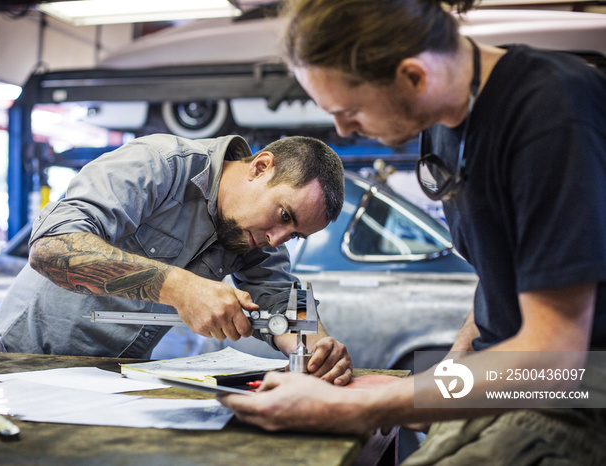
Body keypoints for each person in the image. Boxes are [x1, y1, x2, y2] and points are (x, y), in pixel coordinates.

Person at [219, 0, 606, 463]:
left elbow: (554, 357)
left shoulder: (551, 112)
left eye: (350, 110)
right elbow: (502, 278)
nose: (342, 128)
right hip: (507, 382)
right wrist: (436, 387)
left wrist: (356, 406)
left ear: (413, 77)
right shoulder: (443, 125)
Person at [0, 133, 353, 385]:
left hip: (113, 378)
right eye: (285, 215)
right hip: (23, 361)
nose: (277, 238)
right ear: (260, 167)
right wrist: (180, 288)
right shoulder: (160, 163)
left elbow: (284, 298)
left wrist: (316, 345)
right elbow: (52, 248)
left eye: (294, 235)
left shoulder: (260, 233)